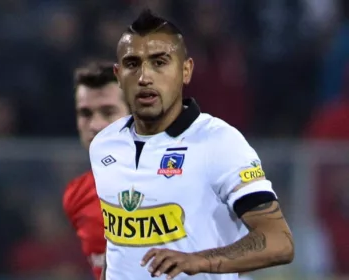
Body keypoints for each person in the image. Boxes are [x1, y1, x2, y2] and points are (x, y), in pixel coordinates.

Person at [89, 10, 294, 280]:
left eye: (159, 62)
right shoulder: (104, 144)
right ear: (117, 75)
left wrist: (200, 260)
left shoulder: (219, 142)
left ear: (186, 70)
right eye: (132, 64)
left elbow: (279, 241)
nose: (144, 77)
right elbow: (117, 246)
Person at [63, 60, 129, 279]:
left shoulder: (177, 180)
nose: (95, 125)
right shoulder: (76, 196)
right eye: (85, 113)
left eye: (108, 112)